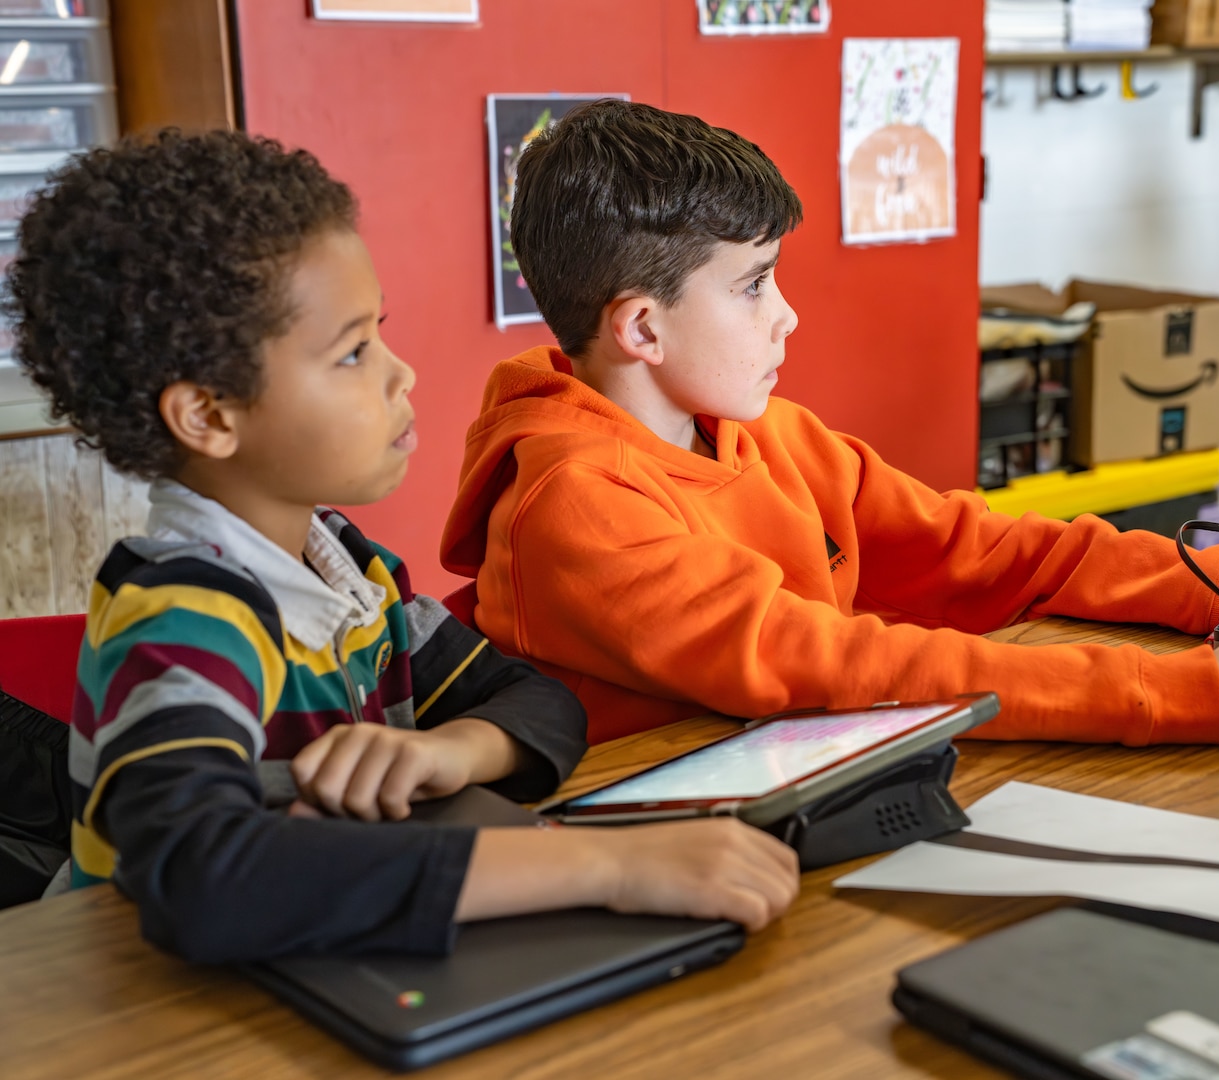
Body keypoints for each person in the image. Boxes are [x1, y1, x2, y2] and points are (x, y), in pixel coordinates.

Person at [6, 130, 797, 963]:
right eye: (352, 352)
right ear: (208, 415)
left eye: (379, 334)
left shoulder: (349, 573)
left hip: (325, 964)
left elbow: (541, 706)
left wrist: (444, 749)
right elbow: (203, 876)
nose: (402, 374)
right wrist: (602, 864)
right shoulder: (181, 616)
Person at [442, 99, 1219, 747]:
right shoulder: (576, 501)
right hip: (651, 844)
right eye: (753, 286)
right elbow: (839, 665)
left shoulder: (768, 433)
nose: (788, 314)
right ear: (642, 327)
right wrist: (1193, 697)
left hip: (794, 793)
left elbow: (997, 552)